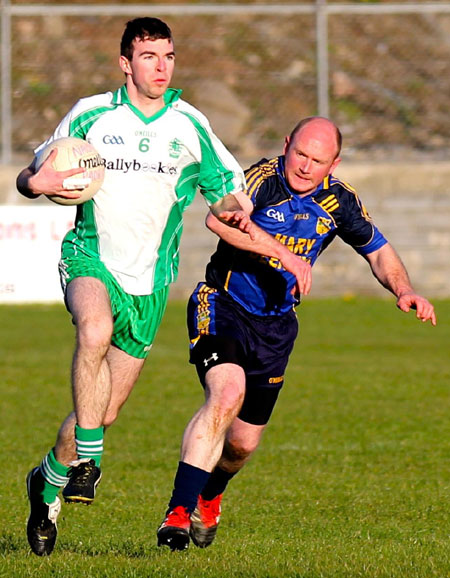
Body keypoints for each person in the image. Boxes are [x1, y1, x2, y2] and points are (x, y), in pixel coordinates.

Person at [15, 16, 289, 557]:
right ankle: (89, 462)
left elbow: (228, 193)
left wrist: (245, 220)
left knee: (103, 411)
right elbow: (33, 174)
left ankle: (48, 482)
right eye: (148, 56)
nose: (160, 67)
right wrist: (36, 181)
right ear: (125, 63)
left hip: (149, 285)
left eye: (168, 56)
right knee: (93, 329)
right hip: (90, 257)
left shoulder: (189, 125)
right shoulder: (92, 113)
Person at [156, 116, 437, 551]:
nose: (305, 166)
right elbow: (220, 222)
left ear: (334, 163)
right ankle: (177, 512)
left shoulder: (339, 202)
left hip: (276, 327)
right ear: (286, 145)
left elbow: (379, 252)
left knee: (243, 445)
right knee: (226, 393)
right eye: (300, 154)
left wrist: (405, 290)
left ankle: (210, 495)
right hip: (223, 304)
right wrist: (284, 254)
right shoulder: (260, 181)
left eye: (318, 160)